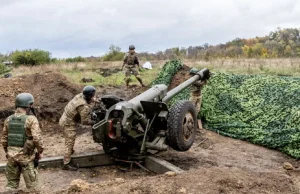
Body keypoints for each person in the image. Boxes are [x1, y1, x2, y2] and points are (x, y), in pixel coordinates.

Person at [1, 93, 43, 191]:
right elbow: (37, 138)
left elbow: (4, 139)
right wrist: (40, 151)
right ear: (29, 105)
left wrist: (8, 152)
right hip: (26, 158)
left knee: (11, 186)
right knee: (33, 188)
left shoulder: (8, 119)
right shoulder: (31, 119)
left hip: (11, 157)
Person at [59, 86, 96, 171]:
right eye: (93, 95)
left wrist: (94, 100)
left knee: (69, 141)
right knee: (69, 142)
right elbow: (84, 121)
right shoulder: (83, 106)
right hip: (68, 123)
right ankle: (66, 163)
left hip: (64, 118)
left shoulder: (80, 95)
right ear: (89, 96)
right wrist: (94, 122)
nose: (94, 96)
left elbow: (87, 100)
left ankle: (69, 153)